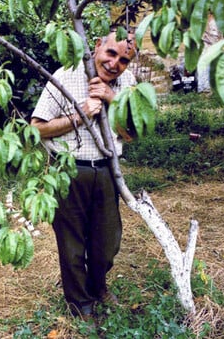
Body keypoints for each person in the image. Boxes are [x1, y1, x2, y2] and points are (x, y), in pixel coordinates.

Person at [30, 29, 137, 319]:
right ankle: (82, 304)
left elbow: (131, 134)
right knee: (72, 244)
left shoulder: (128, 84)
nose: (115, 64)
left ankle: (98, 287)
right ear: (98, 47)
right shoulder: (65, 75)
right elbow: (37, 127)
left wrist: (113, 98)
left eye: (124, 59)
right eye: (111, 53)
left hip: (106, 173)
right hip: (68, 170)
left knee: (106, 245)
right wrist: (80, 115)